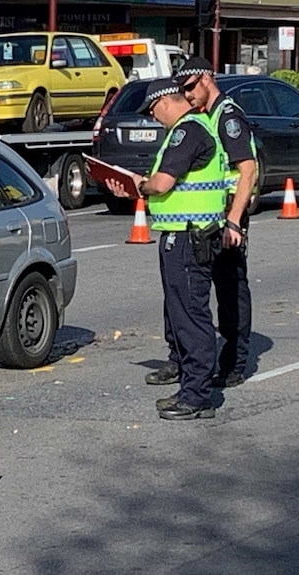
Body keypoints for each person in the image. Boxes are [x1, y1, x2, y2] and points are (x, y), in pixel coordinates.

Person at [105, 78, 228, 420]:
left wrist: (139, 187)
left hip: (190, 237)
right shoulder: (192, 130)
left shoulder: (187, 131)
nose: (153, 118)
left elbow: (161, 183)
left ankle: (197, 396)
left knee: (191, 317)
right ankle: (192, 389)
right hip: (186, 235)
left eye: (153, 111)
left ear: (166, 102)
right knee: (183, 314)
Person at [146, 57, 257, 389]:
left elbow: (247, 170)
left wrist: (234, 221)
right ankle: (180, 358)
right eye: (182, 89)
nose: (188, 94)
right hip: (201, 218)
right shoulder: (199, 120)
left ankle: (233, 362)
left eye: (191, 86)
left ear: (207, 78)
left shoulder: (228, 117)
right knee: (185, 293)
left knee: (229, 288)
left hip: (226, 215)